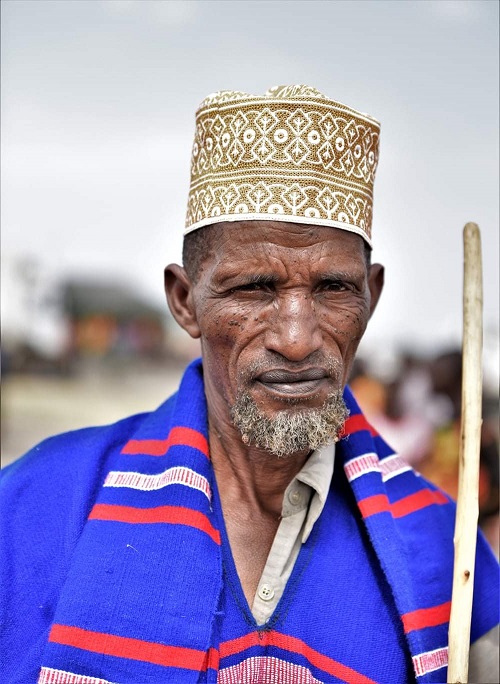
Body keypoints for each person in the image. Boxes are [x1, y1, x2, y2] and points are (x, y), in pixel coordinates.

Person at [1, 85, 498, 684]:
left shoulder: (448, 558)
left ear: (372, 299)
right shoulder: (32, 507)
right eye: (254, 289)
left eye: (333, 289)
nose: (296, 337)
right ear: (185, 302)